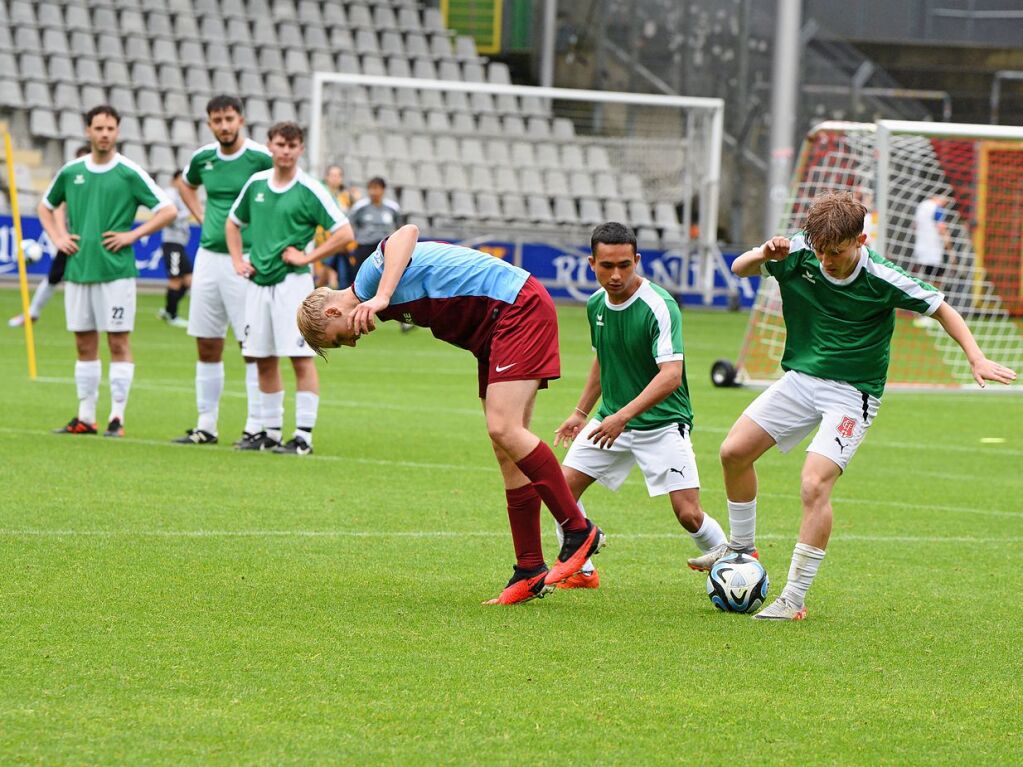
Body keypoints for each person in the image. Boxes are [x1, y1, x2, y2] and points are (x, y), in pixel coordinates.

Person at [687, 191, 1017, 621]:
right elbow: (740, 269)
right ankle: (741, 549)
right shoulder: (801, 251)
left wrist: (975, 356)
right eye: (821, 250)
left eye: (836, 251)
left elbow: (942, 309)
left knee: (813, 484)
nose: (826, 260)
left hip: (852, 392)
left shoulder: (882, 277)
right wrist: (763, 253)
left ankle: (793, 598)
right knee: (733, 452)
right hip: (801, 380)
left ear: (860, 240)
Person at [295, 223, 607, 605]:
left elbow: (406, 232)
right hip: (493, 329)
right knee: (505, 448)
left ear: (331, 311)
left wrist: (382, 296)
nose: (353, 340)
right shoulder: (373, 294)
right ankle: (529, 568)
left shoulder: (369, 280)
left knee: (503, 428)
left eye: (341, 337)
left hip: (515, 307)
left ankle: (578, 530)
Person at [552, 222, 727, 590]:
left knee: (688, 514)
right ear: (591, 263)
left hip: (662, 423)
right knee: (559, 492)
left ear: (637, 260)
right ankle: (582, 570)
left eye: (624, 265)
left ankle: (736, 561)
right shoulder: (596, 304)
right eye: (606, 266)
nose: (615, 275)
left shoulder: (659, 306)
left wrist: (622, 416)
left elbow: (670, 376)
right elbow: (604, 359)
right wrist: (581, 413)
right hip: (610, 422)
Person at [40, 105, 176, 437]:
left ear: (117, 132)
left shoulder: (129, 172)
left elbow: (167, 210)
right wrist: (58, 237)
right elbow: (46, 205)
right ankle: (86, 416)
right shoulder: (72, 171)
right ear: (88, 131)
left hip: (116, 273)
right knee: (84, 344)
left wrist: (132, 234)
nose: (104, 134)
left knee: (118, 341)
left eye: (110, 128)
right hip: (79, 270)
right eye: (98, 128)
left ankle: (117, 417)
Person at [225, 121, 354, 455]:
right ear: (269, 145)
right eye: (280, 144)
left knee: (300, 357)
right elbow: (232, 223)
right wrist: (239, 260)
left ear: (300, 150)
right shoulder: (256, 185)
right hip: (257, 283)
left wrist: (308, 256)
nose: (285, 151)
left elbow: (344, 232)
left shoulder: (309, 189)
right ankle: (270, 432)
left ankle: (302, 437)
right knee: (261, 358)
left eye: (292, 145)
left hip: (292, 285)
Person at [173, 95, 273, 446]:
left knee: (251, 343)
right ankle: (206, 425)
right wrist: (200, 215)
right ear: (209, 123)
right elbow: (185, 184)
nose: (224, 126)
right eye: (217, 120)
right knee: (206, 343)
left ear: (241, 120)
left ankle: (255, 425)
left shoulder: (260, 157)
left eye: (229, 118)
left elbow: (280, 191)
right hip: (207, 258)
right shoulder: (203, 158)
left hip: (245, 258)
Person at [8, 145, 90, 328]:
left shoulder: (101, 181)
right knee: (55, 275)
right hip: (74, 240)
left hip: (95, 240)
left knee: (87, 280)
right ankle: (33, 313)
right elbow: (58, 208)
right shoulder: (71, 180)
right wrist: (62, 237)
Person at [157, 170, 193, 328]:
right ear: (176, 179)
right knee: (176, 278)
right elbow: (167, 215)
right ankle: (172, 315)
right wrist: (187, 213)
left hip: (179, 243)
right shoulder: (170, 194)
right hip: (172, 243)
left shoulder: (177, 195)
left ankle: (168, 310)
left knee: (189, 280)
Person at [314, 163, 360, 290]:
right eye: (332, 175)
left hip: (341, 242)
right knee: (325, 272)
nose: (335, 178)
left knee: (340, 274)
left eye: (338, 175)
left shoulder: (346, 197)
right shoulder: (320, 194)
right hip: (324, 239)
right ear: (327, 177)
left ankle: (330, 284)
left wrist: (355, 200)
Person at [347, 177, 400, 273]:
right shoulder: (360, 207)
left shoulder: (393, 208)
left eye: (376, 188)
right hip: (365, 247)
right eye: (370, 188)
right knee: (361, 275)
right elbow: (350, 224)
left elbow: (399, 226)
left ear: (383, 190)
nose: (372, 192)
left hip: (386, 248)